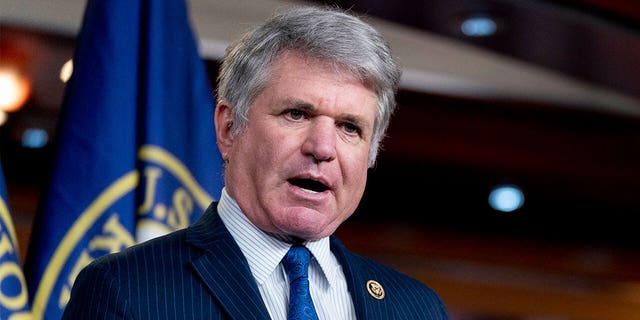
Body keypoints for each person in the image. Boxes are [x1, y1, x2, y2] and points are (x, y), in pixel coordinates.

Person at [62, 5, 448, 319]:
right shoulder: (126, 289)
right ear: (230, 128)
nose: (323, 147)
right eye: (297, 114)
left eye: (350, 127)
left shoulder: (415, 308)